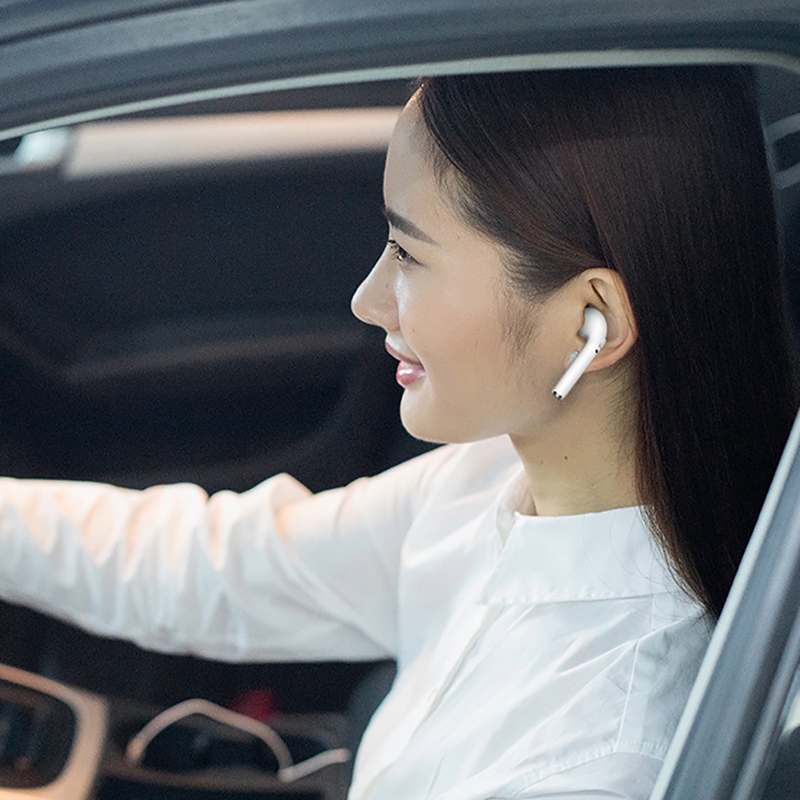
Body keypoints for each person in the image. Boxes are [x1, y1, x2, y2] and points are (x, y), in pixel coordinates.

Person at [0, 65, 796, 799]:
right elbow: (223, 565)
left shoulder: (599, 762)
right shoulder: (491, 479)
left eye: (408, 254)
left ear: (592, 321)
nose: (367, 300)